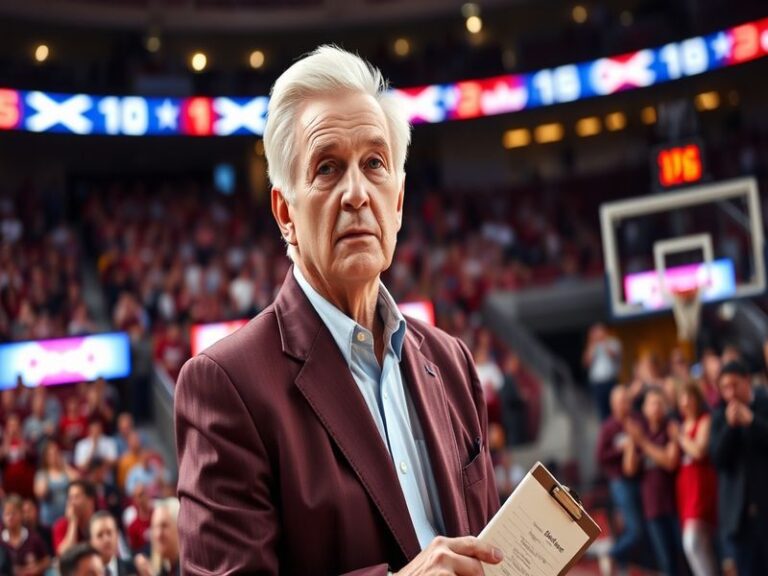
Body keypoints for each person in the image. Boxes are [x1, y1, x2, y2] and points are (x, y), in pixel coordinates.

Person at [175, 45, 501, 575]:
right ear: (285, 212)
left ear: (398, 200)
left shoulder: (453, 362)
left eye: (375, 164)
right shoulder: (224, 386)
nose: (356, 194)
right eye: (327, 168)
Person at [710, 360, 768, 576]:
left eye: (735, 385)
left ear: (747, 381)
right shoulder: (719, 416)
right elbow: (717, 459)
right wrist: (730, 427)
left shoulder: (764, 405)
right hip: (738, 518)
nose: (731, 392)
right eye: (725, 387)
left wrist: (751, 421)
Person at [624, 387, 681, 576]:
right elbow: (629, 469)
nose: (656, 407)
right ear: (644, 409)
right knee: (666, 561)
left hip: (675, 503)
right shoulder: (642, 433)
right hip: (652, 507)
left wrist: (643, 443)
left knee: (682, 555)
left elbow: (670, 462)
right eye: (652, 403)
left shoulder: (669, 429)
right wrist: (633, 441)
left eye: (659, 403)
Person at [595, 385, 643, 575]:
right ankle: (612, 553)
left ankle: (622, 564)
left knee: (636, 527)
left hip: (641, 479)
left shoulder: (637, 420)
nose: (625, 405)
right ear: (613, 404)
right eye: (621, 401)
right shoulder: (609, 427)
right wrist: (620, 450)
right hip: (620, 482)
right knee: (635, 530)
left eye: (627, 400)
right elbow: (600, 456)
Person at [672, 383, 718, 576]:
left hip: (701, 483)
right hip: (685, 485)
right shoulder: (680, 424)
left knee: (692, 541)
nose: (685, 402)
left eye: (689, 397)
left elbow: (699, 451)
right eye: (682, 398)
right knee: (700, 543)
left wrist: (680, 438)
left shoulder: (704, 420)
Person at [0, 494, 50, 575]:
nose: (10, 517)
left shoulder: (33, 537)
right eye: (6, 514)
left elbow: (46, 560)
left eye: (13, 513)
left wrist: (37, 568)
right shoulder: (1, 540)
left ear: (21, 514)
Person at [34, 440, 79, 528]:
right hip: (48, 519)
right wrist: (47, 474)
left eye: (56, 453)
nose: (53, 457)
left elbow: (78, 482)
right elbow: (41, 493)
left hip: (66, 517)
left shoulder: (65, 472)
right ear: (45, 457)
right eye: (50, 454)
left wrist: (64, 465)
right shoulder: (41, 474)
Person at [583, 323, 622, 421]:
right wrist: (592, 343)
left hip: (610, 381)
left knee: (615, 407)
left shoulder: (613, 342)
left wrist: (604, 341)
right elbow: (586, 362)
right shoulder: (592, 346)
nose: (598, 334)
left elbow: (613, 355)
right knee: (601, 411)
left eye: (600, 331)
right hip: (597, 383)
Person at [134, 498, 179, 576]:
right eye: (155, 527)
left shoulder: (191, 568)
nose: (158, 534)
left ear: (179, 527)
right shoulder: (166, 568)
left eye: (164, 526)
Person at [53, 480, 97, 556]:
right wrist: (73, 522)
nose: (72, 503)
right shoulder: (61, 525)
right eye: (70, 498)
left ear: (90, 501)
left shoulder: (100, 522)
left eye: (77, 497)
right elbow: (65, 555)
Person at [90, 511, 137, 576]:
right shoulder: (86, 573)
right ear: (91, 542)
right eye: (100, 535)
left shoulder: (133, 569)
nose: (106, 540)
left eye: (109, 533)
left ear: (117, 536)